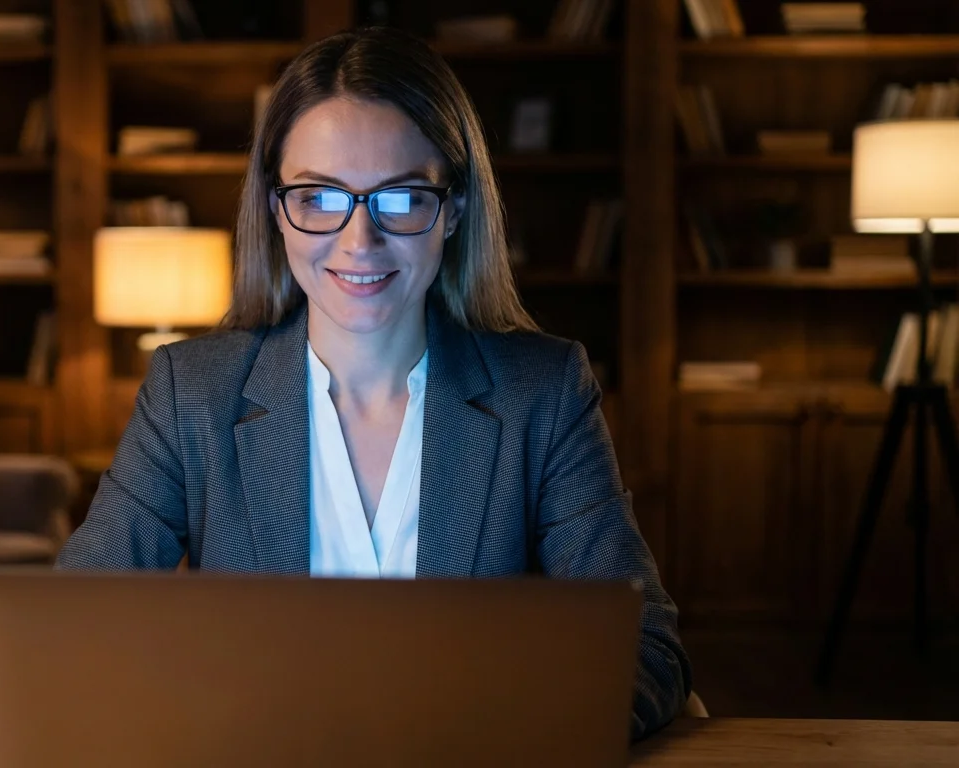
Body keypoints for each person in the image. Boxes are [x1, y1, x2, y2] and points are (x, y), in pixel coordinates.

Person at [56, 25, 691, 740]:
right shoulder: (189, 392)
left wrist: (518, 740)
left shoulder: (542, 392)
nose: (359, 242)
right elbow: (73, 626)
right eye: (320, 197)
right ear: (275, 208)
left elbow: (646, 646)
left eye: (399, 199)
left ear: (451, 210)